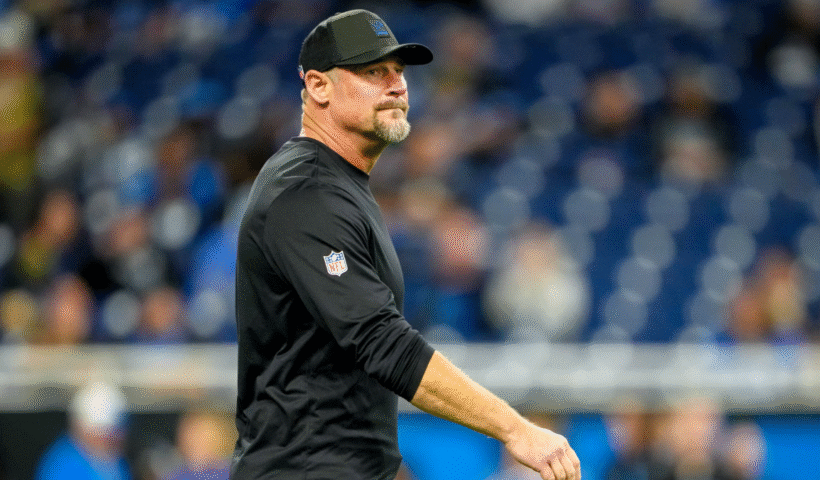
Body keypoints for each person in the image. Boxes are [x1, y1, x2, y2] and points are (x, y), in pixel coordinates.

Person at [232, 9, 581, 480]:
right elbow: (380, 341)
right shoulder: (305, 190)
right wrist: (514, 429)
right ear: (318, 87)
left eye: (399, 72)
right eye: (373, 72)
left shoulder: (340, 187)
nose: (396, 86)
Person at [35, 381, 131, 480]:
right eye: (99, 431)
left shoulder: (115, 460)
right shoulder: (61, 464)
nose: (107, 437)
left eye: (113, 431)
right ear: (79, 426)